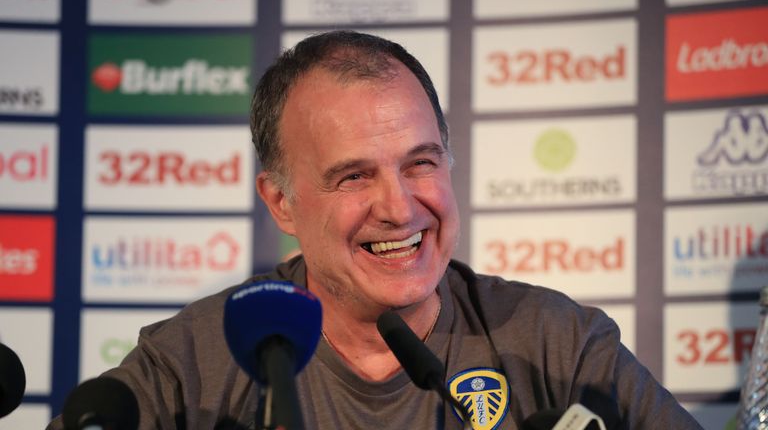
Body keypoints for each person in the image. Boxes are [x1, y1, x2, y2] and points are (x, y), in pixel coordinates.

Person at [49, 30, 702, 429]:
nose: (398, 207)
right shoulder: (190, 365)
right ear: (280, 202)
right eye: (354, 176)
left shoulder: (560, 346)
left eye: (420, 163)